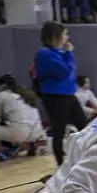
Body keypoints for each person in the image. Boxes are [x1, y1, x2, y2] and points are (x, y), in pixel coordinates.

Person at [33, 22, 87, 165]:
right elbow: (64, 71)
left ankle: (88, 158)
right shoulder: (44, 54)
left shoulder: (60, 53)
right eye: (65, 34)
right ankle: (61, 164)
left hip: (69, 94)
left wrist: (67, 54)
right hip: (55, 97)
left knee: (85, 127)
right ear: (55, 35)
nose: (67, 37)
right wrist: (69, 54)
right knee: (59, 129)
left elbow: (70, 72)